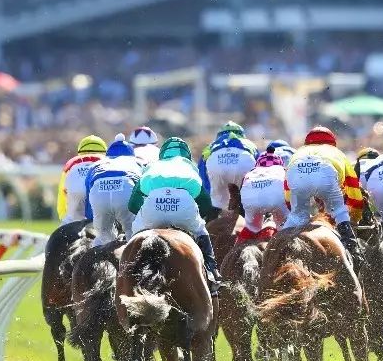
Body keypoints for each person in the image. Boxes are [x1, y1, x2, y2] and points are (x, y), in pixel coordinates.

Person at [128, 137, 223, 291]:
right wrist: (197, 216)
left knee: (135, 234)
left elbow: (132, 205)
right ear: (186, 155)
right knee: (201, 231)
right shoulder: (190, 167)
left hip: (154, 205)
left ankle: (125, 272)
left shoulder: (152, 166)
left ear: (162, 154)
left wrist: (145, 213)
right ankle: (212, 272)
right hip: (183, 205)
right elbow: (206, 204)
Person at [281, 126, 365, 266]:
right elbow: (354, 191)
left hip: (296, 171)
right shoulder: (336, 152)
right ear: (332, 143)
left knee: (297, 217)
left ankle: (277, 247)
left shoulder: (298, 153)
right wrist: (354, 218)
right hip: (326, 172)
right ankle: (353, 252)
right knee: (339, 211)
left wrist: (296, 211)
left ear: (307, 144)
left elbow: (288, 193)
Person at [85, 134, 144, 247]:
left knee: (102, 236)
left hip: (99, 192)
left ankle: (91, 261)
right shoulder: (138, 163)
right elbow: (142, 191)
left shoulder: (97, 164)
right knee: (132, 235)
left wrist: (90, 217)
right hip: (126, 189)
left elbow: (88, 192)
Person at [199, 120, 259, 210]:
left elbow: (202, 169)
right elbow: (260, 164)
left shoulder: (212, 145)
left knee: (218, 205)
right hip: (244, 163)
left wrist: (209, 192)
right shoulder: (250, 144)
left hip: (216, 163)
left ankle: (217, 215)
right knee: (247, 201)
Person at [237, 150, 289, 243]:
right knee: (285, 228)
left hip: (252, 204)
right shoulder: (283, 171)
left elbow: (241, 200)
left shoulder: (250, 173)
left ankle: (236, 250)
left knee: (251, 228)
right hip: (277, 202)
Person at [57, 135, 107, 224]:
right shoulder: (107, 160)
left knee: (70, 222)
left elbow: (62, 193)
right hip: (99, 195)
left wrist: (64, 218)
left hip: (76, 194)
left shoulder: (71, 162)